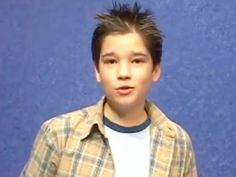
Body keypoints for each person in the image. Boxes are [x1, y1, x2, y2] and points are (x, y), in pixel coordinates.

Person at [20, 2, 198, 177]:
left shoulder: (178, 144)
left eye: (137, 61)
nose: (123, 73)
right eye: (111, 61)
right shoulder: (58, 134)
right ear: (97, 70)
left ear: (155, 70)